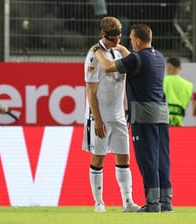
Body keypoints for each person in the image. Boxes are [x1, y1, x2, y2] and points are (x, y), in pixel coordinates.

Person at [92, 24, 173, 212]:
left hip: (144, 115)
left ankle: (152, 204)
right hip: (162, 113)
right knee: (162, 158)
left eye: (130, 38)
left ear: (137, 40)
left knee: (147, 159)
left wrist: (96, 51)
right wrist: (121, 48)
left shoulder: (136, 58)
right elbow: (135, 60)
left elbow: (108, 66)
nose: (129, 41)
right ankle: (166, 202)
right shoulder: (158, 57)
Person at [82, 16, 140, 213]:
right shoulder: (93, 55)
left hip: (118, 115)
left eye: (119, 36)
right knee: (98, 158)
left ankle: (127, 201)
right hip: (101, 116)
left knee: (124, 158)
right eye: (113, 37)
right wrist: (97, 119)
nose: (117, 40)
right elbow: (90, 90)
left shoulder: (118, 51)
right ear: (102, 34)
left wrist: (122, 48)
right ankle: (98, 202)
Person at [164, 57, 193, 126]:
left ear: (168, 67)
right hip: (179, 122)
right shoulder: (188, 85)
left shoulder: (160, 81)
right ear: (180, 68)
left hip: (162, 122)